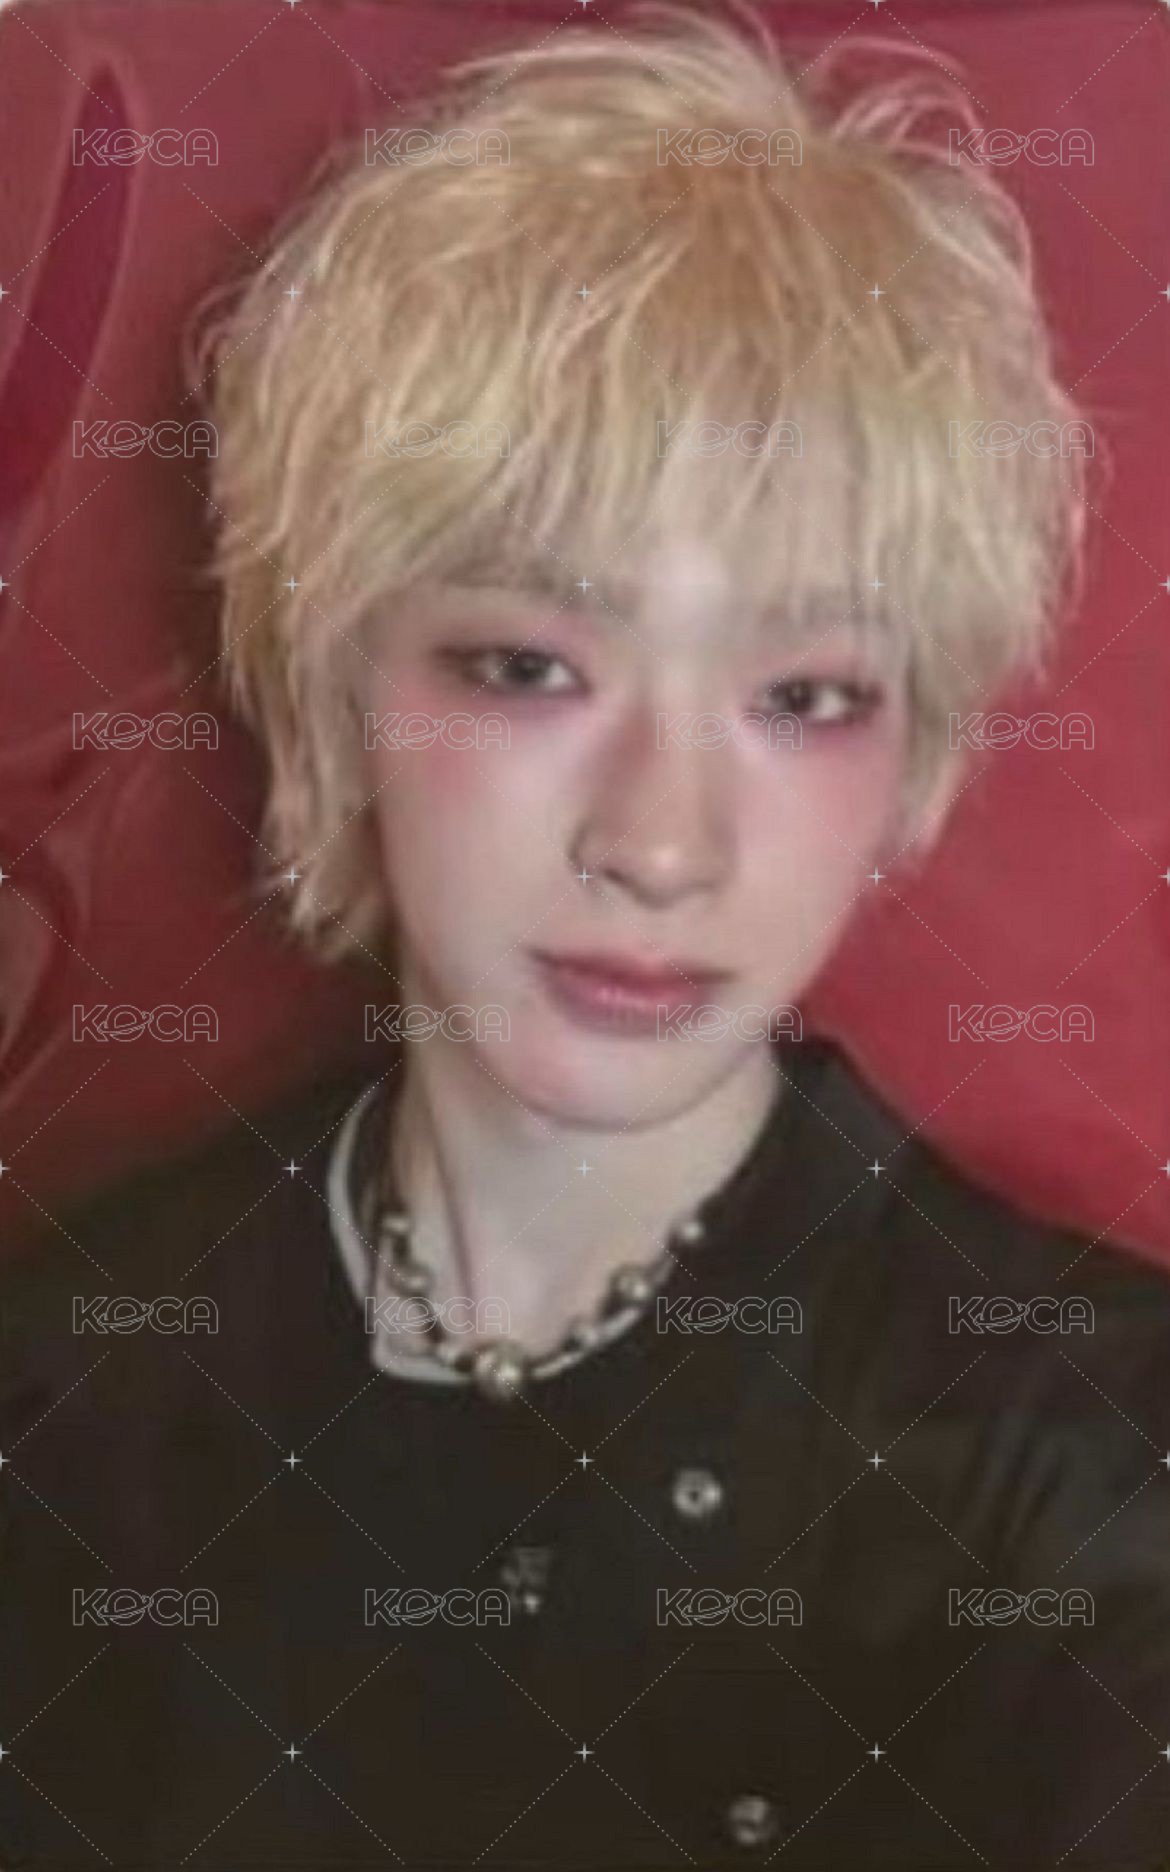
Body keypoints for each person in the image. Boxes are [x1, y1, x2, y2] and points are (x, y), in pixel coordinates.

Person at [2, 4, 1168, 1867]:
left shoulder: (1092, 1457)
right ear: (335, 689)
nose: (660, 842)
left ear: (915, 754)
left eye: (801, 696)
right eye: (529, 665)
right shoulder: (70, 1390)